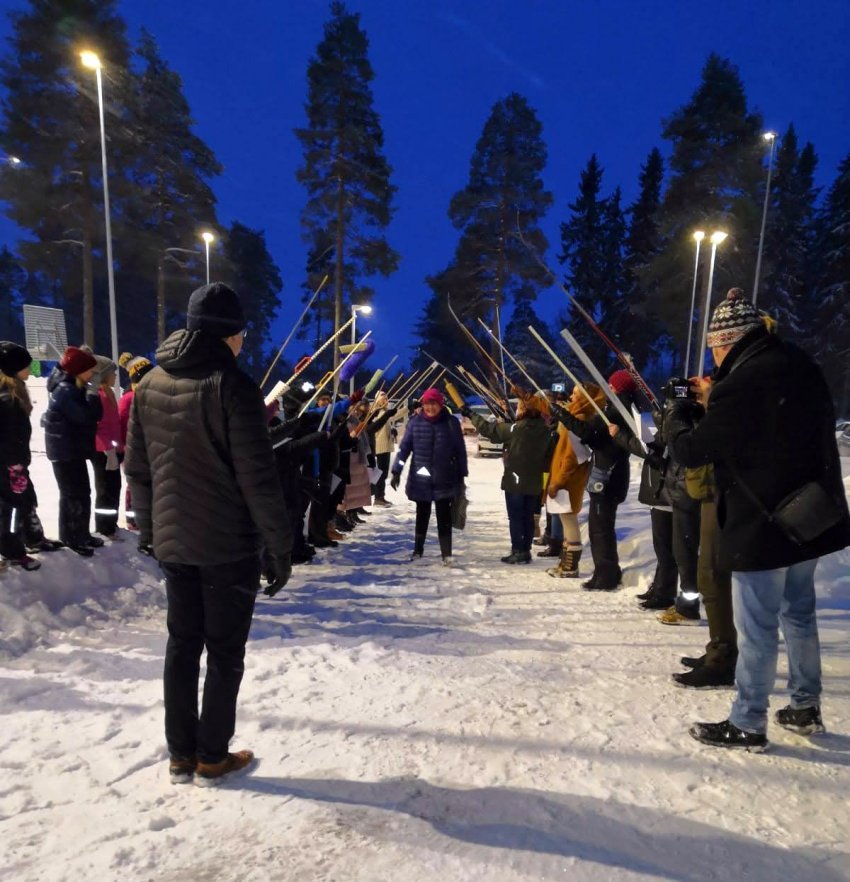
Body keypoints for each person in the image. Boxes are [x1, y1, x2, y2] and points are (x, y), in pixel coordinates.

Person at [665, 288, 850, 750]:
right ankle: (805, 706)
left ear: (728, 342)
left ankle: (748, 720)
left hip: (762, 523)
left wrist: (677, 419)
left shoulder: (744, 381)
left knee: (758, 626)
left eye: (714, 348)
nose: (714, 357)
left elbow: (694, 449)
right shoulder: (798, 363)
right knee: (800, 614)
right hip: (808, 513)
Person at [125, 282, 293, 785]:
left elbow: (139, 469)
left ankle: (181, 753)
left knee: (182, 647)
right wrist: (280, 548)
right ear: (230, 335)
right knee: (222, 652)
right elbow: (258, 479)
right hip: (225, 547)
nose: (243, 342)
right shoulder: (232, 386)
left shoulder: (149, 383)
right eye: (242, 334)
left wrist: (152, 532)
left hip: (176, 542)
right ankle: (210, 755)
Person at [551, 370, 636, 590]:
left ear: (617, 388)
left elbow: (588, 434)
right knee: (601, 528)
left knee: (601, 529)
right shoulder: (620, 408)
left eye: (612, 386)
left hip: (608, 476)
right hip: (609, 473)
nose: (609, 389)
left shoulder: (617, 410)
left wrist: (564, 416)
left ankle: (606, 575)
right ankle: (607, 571)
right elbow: (595, 438)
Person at [462, 390, 554, 564]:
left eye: (519, 407)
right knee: (527, 516)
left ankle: (518, 550)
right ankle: (525, 550)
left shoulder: (515, 429)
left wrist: (471, 414)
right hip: (535, 481)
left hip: (515, 481)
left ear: (524, 410)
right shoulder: (545, 430)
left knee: (517, 517)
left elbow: (489, 430)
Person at [390, 387, 467, 565]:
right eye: (427, 404)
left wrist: (462, 474)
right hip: (421, 477)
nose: (430, 408)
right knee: (422, 514)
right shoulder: (415, 423)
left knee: (444, 516)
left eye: (433, 404)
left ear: (440, 405)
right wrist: (396, 471)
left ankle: (446, 554)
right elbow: (404, 450)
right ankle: (418, 550)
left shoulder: (451, 423)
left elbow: (460, 451)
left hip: (445, 476)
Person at [43, 346, 103, 556]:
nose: (92, 374)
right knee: (72, 495)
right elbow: (85, 417)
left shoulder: (72, 387)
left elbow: (91, 416)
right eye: (89, 370)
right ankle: (72, 537)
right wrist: (93, 394)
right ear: (78, 370)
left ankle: (81, 534)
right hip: (65, 452)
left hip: (72, 449)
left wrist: (91, 395)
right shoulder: (66, 391)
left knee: (81, 493)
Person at [545, 382, 606, 578]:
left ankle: (570, 567)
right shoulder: (576, 417)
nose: (571, 397)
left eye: (575, 394)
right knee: (565, 520)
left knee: (569, 520)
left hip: (568, 480)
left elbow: (572, 457)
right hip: (566, 478)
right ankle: (565, 563)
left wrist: (558, 481)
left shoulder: (579, 419)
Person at [0, 342, 42, 570]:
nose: (29, 369)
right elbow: (9, 435)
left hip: (13, 463)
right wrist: (14, 464)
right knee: (12, 507)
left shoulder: (13, 393)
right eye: (25, 366)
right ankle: (13, 552)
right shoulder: (8, 398)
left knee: (19, 503)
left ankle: (22, 543)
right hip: (9, 465)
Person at [117, 352, 154, 531]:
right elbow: (123, 426)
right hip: (133, 449)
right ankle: (132, 519)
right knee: (135, 485)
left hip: (148, 447)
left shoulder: (145, 395)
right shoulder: (130, 399)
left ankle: (144, 517)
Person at [91, 355, 123, 539]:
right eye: (112, 373)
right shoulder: (100, 396)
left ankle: (111, 524)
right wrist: (106, 448)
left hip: (112, 450)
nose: (115, 376)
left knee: (114, 486)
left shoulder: (109, 394)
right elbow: (98, 426)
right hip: (103, 451)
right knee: (105, 489)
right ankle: (104, 528)